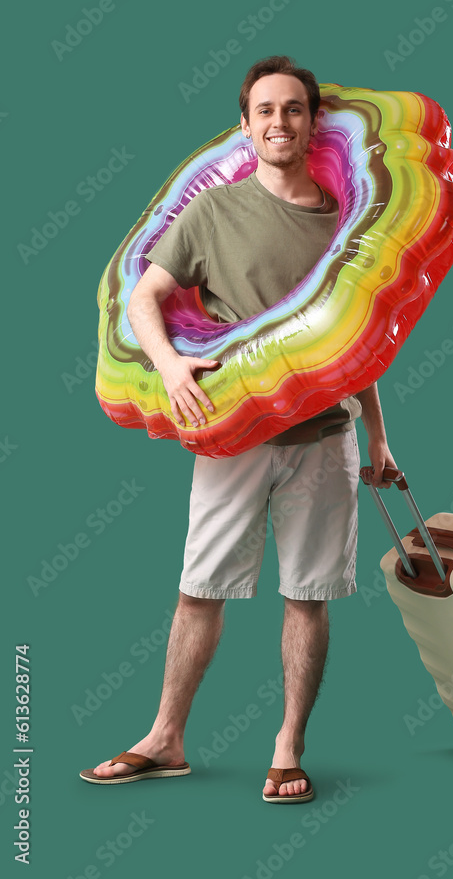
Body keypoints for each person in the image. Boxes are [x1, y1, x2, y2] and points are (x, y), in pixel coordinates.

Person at [79, 55, 396, 803]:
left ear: (313, 122)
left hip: (325, 438)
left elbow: (356, 342)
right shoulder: (211, 213)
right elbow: (145, 300)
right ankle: (165, 739)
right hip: (230, 433)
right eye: (264, 110)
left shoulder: (345, 223)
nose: (279, 122)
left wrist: (378, 436)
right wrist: (170, 368)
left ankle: (287, 747)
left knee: (307, 595)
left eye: (293, 109)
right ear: (246, 124)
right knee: (199, 588)